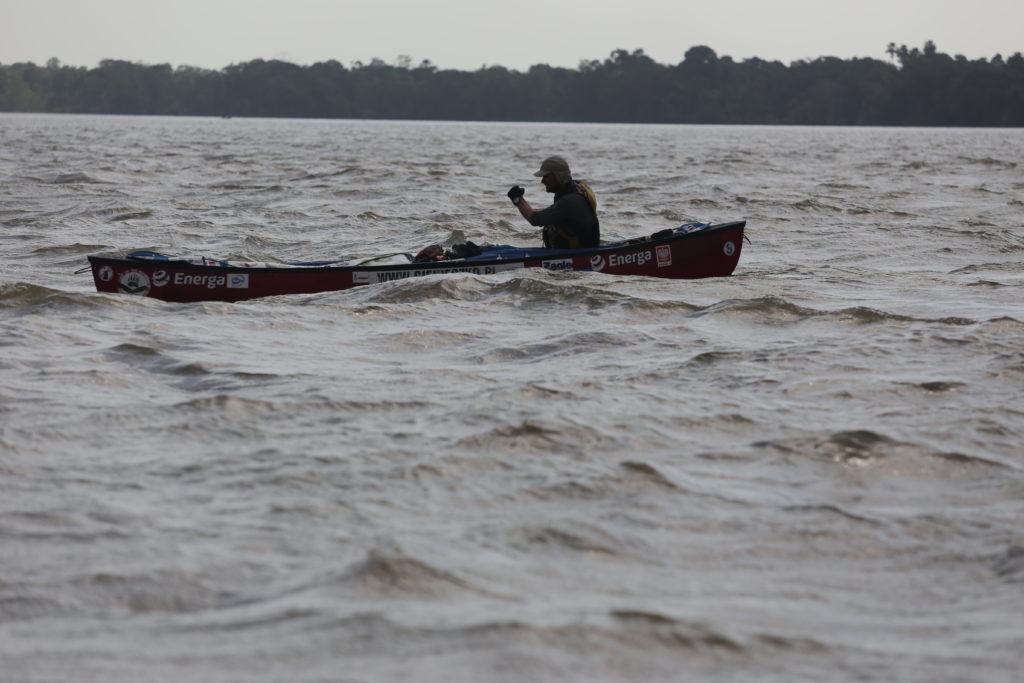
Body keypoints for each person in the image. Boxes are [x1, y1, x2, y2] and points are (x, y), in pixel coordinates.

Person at [507, 155, 600, 249]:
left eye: (546, 176)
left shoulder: (571, 201)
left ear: (559, 176)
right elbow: (551, 213)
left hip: (578, 256)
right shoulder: (576, 188)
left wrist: (518, 200)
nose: (542, 181)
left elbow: (535, 219)